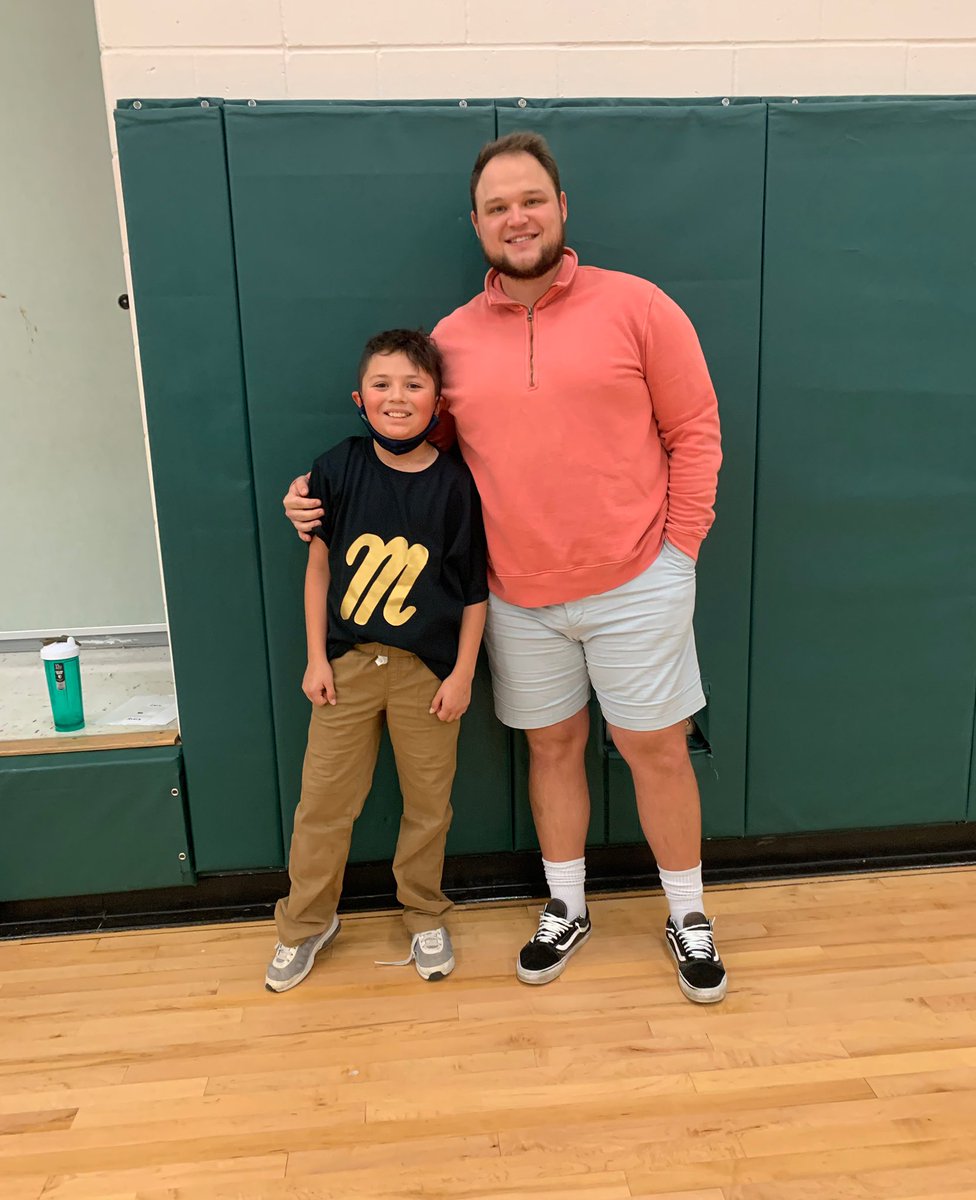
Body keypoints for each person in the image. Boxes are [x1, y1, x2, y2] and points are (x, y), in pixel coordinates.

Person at [283, 132, 726, 1004]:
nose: (515, 218)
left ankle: (688, 914)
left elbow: (696, 431)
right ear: (477, 225)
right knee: (553, 747)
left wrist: (680, 553)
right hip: (515, 598)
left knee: (655, 749)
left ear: (562, 208)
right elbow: (411, 455)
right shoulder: (449, 341)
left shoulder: (640, 307)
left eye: (530, 200)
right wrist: (315, 499)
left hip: (639, 580)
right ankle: (567, 907)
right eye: (496, 207)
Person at [266, 328, 488, 992]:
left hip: (428, 675)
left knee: (429, 804)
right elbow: (318, 570)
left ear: (438, 401)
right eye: (383, 385)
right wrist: (315, 658)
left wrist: (462, 673)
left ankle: (423, 912)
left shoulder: (455, 486)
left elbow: (475, 592)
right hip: (349, 667)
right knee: (323, 804)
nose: (398, 397)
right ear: (359, 399)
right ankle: (305, 924)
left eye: (414, 385)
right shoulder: (339, 467)